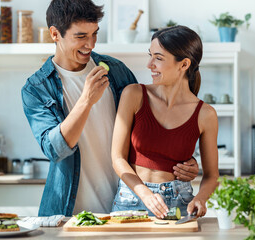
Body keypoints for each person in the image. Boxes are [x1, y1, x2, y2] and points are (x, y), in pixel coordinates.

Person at [21, 0, 199, 217]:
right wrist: (86, 100)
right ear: (55, 34)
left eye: (94, 34)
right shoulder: (36, 89)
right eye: (81, 37)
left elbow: (152, 128)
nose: (91, 44)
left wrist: (184, 163)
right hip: (67, 212)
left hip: (128, 205)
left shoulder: (116, 71)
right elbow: (54, 150)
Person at [111, 25, 219, 219]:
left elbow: (211, 175)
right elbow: (117, 158)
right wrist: (144, 193)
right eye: (150, 55)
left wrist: (201, 198)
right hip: (132, 197)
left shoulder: (206, 114)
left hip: (180, 201)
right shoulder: (134, 94)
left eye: (158, 58)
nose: (149, 64)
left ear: (184, 64)